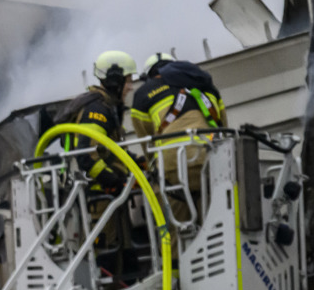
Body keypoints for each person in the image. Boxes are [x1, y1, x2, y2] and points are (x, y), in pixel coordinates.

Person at [130, 52, 227, 219]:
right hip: (212, 161)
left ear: (150, 75)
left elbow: (148, 143)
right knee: (218, 220)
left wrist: (153, 169)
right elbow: (223, 128)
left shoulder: (144, 94)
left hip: (173, 167)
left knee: (175, 226)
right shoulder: (206, 85)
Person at [56, 50, 137, 194]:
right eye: (128, 81)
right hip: (101, 195)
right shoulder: (97, 110)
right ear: (115, 81)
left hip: (110, 195)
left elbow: (109, 151)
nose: (130, 87)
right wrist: (113, 181)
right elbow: (86, 155)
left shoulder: (107, 107)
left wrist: (136, 160)